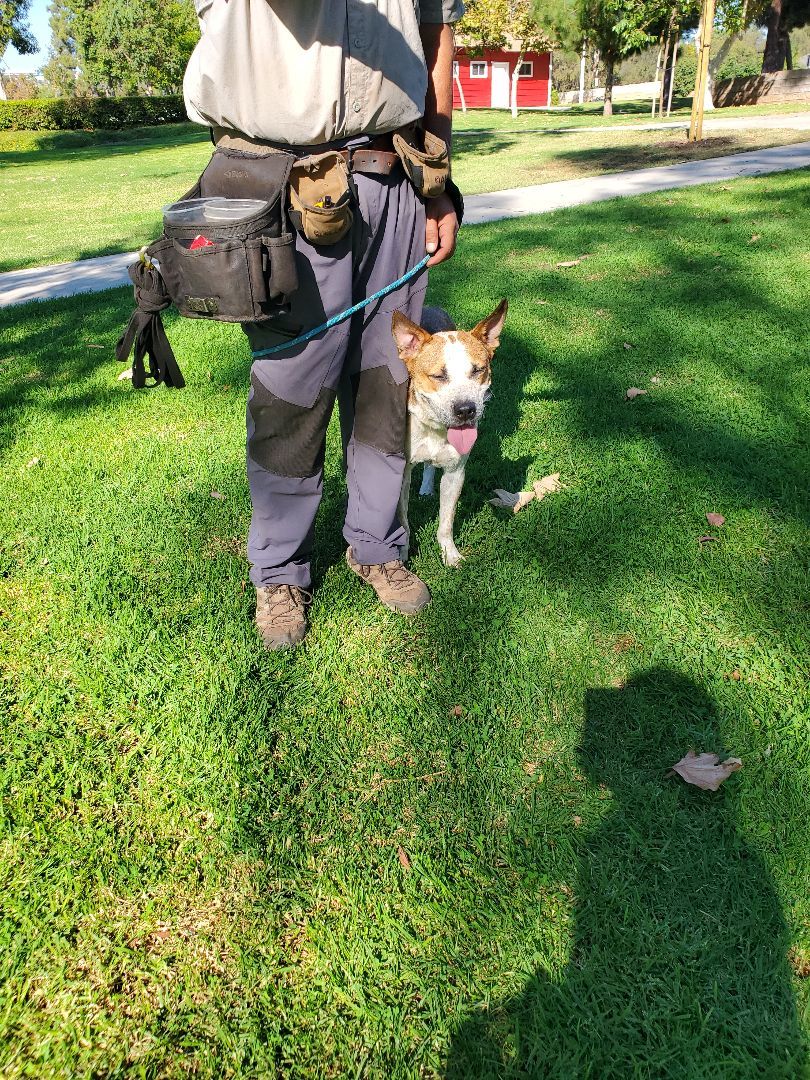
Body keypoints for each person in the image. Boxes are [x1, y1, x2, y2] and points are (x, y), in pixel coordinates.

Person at [183, 1, 464, 649]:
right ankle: (280, 570)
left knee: (387, 385)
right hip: (283, 177)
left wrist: (437, 181)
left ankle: (376, 544)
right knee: (291, 391)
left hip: (390, 177)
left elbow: (435, 37)